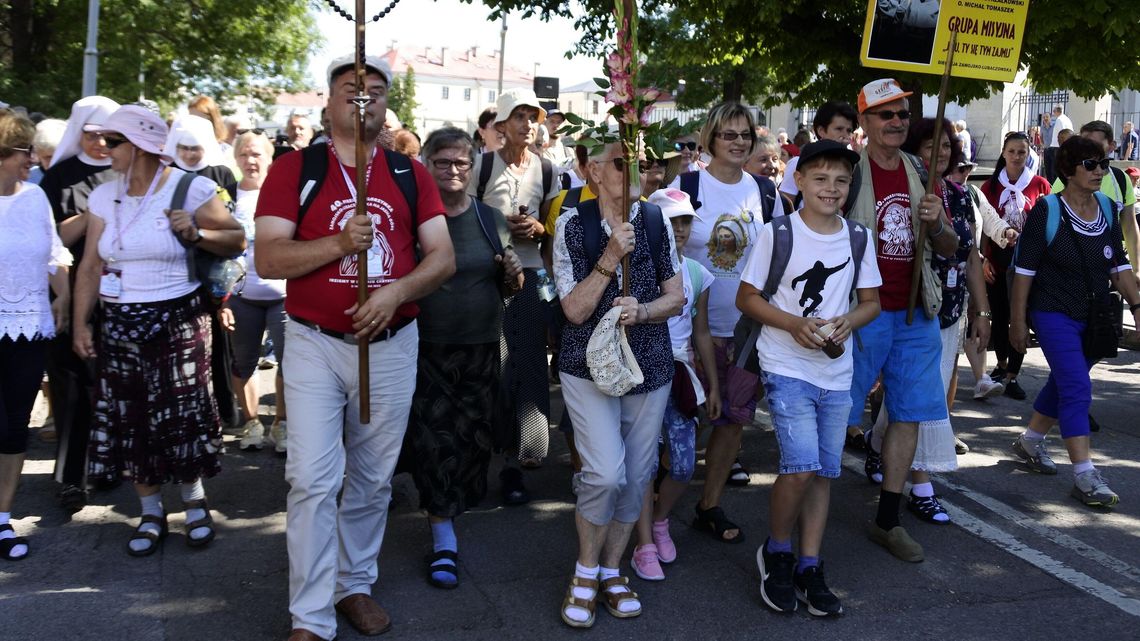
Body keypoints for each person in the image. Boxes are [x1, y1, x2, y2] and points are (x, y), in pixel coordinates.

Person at [255, 54, 453, 641]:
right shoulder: (296, 169)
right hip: (315, 344)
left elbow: (441, 257)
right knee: (313, 478)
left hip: (391, 344)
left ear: (388, 105)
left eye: (375, 89)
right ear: (329, 101)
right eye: (351, 88)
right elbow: (269, 258)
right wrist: (340, 242)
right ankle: (310, 616)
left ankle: (353, 584)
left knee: (372, 477)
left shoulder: (408, 173)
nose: (363, 97)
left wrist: (394, 294)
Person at [71, 104, 245, 557]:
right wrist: (80, 325)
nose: (103, 149)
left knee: (180, 415)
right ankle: (150, 511)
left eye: (113, 142)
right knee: (132, 420)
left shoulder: (191, 187)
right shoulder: (103, 196)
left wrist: (197, 233)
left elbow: (236, 239)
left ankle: (194, 505)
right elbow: (91, 265)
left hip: (179, 318)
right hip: (120, 322)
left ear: (142, 147)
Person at [739, 140, 881, 616]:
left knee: (822, 472)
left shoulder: (858, 237)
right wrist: (793, 324)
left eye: (841, 181)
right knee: (799, 467)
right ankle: (776, 552)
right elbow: (748, 298)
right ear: (798, 180)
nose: (832, 188)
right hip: (787, 366)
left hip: (837, 373)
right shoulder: (778, 233)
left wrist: (849, 321)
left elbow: (871, 302)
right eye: (820, 179)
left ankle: (809, 563)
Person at [551, 141, 683, 629]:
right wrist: (610, 255)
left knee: (637, 475)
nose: (634, 172)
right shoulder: (573, 223)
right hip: (587, 366)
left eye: (639, 164)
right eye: (621, 163)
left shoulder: (654, 220)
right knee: (605, 473)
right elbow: (574, 310)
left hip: (649, 365)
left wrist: (642, 311)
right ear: (593, 171)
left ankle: (611, 570)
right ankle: (585, 570)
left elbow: (677, 297)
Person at [844, 79, 957, 563]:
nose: (896, 122)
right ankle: (806, 517)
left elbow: (951, 248)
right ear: (865, 122)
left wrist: (935, 223)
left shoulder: (920, 168)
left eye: (903, 114)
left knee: (907, 415)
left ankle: (888, 519)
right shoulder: (846, 172)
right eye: (885, 114)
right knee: (837, 415)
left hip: (915, 313)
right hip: (858, 313)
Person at [408, 127, 523, 589]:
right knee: (435, 441)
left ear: (473, 169)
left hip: (481, 347)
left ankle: (452, 506)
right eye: (443, 162)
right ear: (426, 165)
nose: (453, 171)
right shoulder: (411, 218)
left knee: (474, 442)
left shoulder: (490, 218)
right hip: (425, 346)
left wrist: (513, 275)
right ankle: (442, 533)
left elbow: (508, 283)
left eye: (461, 163)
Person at [667, 101, 785, 545]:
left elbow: (778, 253)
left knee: (732, 421)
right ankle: (658, 506)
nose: (738, 143)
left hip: (744, 328)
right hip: (684, 328)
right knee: (679, 417)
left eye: (745, 136)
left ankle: (708, 505)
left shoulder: (765, 191)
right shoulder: (688, 184)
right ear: (710, 139)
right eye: (729, 135)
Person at [867, 118, 993, 523]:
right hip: (899, 308)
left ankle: (904, 474)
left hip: (946, 309)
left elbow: (969, 254)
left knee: (922, 402)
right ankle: (911, 478)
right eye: (928, 147)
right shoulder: (899, 184)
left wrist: (982, 309)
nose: (938, 154)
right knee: (911, 402)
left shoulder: (960, 195)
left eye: (945, 147)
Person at [1009, 135, 1140, 507]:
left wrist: (1138, 305)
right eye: (1090, 164)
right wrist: (1016, 322)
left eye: (1103, 163)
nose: (1100, 171)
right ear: (1068, 170)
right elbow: (1024, 272)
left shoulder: (1107, 207)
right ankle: (1085, 475)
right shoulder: (1047, 210)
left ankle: (1030, 442)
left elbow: (1120, 265)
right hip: (1052, 312)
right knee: (1078, 388)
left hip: (1096, 316)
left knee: (1065, 381)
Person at [468, 88, 560, 500]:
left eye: (532, 116)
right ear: (501, 126)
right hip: (488, 278)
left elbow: (556, 229)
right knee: (491, 368)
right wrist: (500, 227)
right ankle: (481, 453)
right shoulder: (481, 166)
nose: (527, 124)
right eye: (518, 116)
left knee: (529, 366)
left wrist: (537, 229)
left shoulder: (547, 168)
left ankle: (518, 462)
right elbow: (463, 221)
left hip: (534, 276)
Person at [629, 188, 720, 582]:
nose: (679, 229)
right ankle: (644, 543)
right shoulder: (636, 268)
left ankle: (661, 521)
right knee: (644, 465)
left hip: (681, 375)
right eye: (671, 221)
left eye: (685, 222)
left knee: (683, 466)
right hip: (644, 374)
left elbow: (702, 333)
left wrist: (712, 385)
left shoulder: (698, 273)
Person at [38, 95, 119, 512]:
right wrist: (92, 214)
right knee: (72, 386)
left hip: (123, 292)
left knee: (114, 383)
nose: (103, 144)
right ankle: (71, 477)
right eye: (93, 135)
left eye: (110, 136)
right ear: (79, 132)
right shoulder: (60, 178)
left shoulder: (127, 170)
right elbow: (53, 240)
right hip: (69, 290)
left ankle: (110, 464)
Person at [0, 109, 73, 561]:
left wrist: (62, 296)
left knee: (13, 432)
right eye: (24, 151)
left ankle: (2, 521)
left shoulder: (35, 198)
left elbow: (53, 252)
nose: (32, 159)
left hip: (29, 329)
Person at [226, 131, 288, 455]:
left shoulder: (283, 193)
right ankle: (251, 423)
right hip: (241, 295)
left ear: (269, 157)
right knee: (244, 361)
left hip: (283, 293)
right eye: (245, 155)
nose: (251, 161)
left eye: (257, 154)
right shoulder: (229, 197)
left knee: (289, 363)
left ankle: (281, 423)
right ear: (236, 159)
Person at [980, 132, 1052, 400]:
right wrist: (984, 256)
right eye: (1012, 151)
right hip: (997, 259)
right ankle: (1000, 364)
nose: (1017, 156)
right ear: (1003, 153)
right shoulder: (991, 186)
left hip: (1027, 261)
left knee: (1018, 314)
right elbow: (984, 224)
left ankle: (1013, 374)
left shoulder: (1040, 184)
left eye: (1022, 152)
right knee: (998, 313)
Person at [949, 160, 1016, 400]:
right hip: (944, 276)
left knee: (976, 318)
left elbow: (991, 218)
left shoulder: (973, 194)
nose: (965, 173)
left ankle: (981, 378)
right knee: (952, 333)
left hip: (971, 271)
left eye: (968, 168)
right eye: (960, 168)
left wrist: (1005, 232)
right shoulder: (935, 191)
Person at [1051, 121, 1139, 275]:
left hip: (1114, 269)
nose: (1088, 150)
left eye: (1094, 144)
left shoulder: (1120, 179)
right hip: (1073, 273)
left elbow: (1129, 226)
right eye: (1084, 144)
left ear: (1112, 146)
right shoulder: (1065, 180)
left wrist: (1136, 269)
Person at [779, 101, 858, 206]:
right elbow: (785, 204)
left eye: (849, 131)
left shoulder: (852, 163)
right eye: (839, 129)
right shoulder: (799, 162)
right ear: (821, 131)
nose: (845, 136)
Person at [28, 118, 67, 184]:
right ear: (39, 155)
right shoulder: (29, 178)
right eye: (48, 157)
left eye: (59, 156)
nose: (54, 161)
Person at [1044, 105, 1073, 183]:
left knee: (1053, 174)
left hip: (1056, 148)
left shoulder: (1060, 120)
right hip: (1060, 148)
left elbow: (1063, 134)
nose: (1053, 113)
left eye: (1054, 111)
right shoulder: (1067, 119)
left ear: (1057, 111)